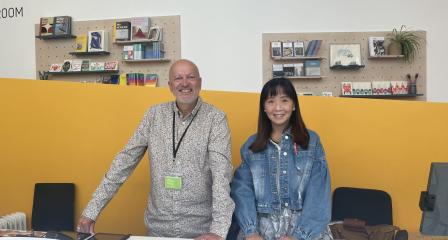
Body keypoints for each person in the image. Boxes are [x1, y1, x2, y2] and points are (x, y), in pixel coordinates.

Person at [77, 59, 235, 240]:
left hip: (201, 231)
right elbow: (124, 162)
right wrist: (92, 210)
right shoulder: (154, 115)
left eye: (190, 77)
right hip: (158, 229)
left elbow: (221, 176)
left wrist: (218, 231)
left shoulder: (216, 119)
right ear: (170, 85)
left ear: (200, 82)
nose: (184, 83)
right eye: (178, 78)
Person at [230, 77, 331, 240]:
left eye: (284, 100)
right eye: (271, 101)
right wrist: (251, 231)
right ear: (264, 107)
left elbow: (319, 193)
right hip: (259, 231)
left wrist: (300, 236)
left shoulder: (311, 141)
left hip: (305, 230)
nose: (278, 108)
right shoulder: (251, 145)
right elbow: (242, 191)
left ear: (294, 105)